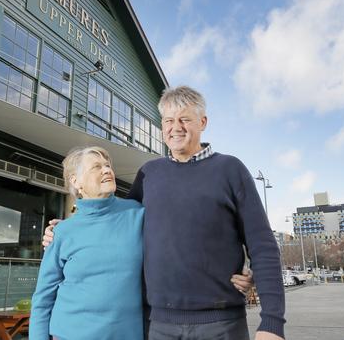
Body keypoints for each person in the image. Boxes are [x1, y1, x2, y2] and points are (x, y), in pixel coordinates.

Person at [44, 86, 285, 340]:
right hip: (158, 326)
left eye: (185, 119)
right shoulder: (149, 174)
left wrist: (272, 322)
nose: (176, 127)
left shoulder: (230, 169)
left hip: (221, 323)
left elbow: (263, 245)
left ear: (202, 122)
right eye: (169, 121)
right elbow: (114, 220)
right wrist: (66, 229)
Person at [30, 146, 144, 340]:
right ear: (76, 181)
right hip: (70, 334)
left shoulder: (137, 214)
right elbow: (43, 297)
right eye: (96, 167)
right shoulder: (62, 232)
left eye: (108, 166)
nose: (107, 170)